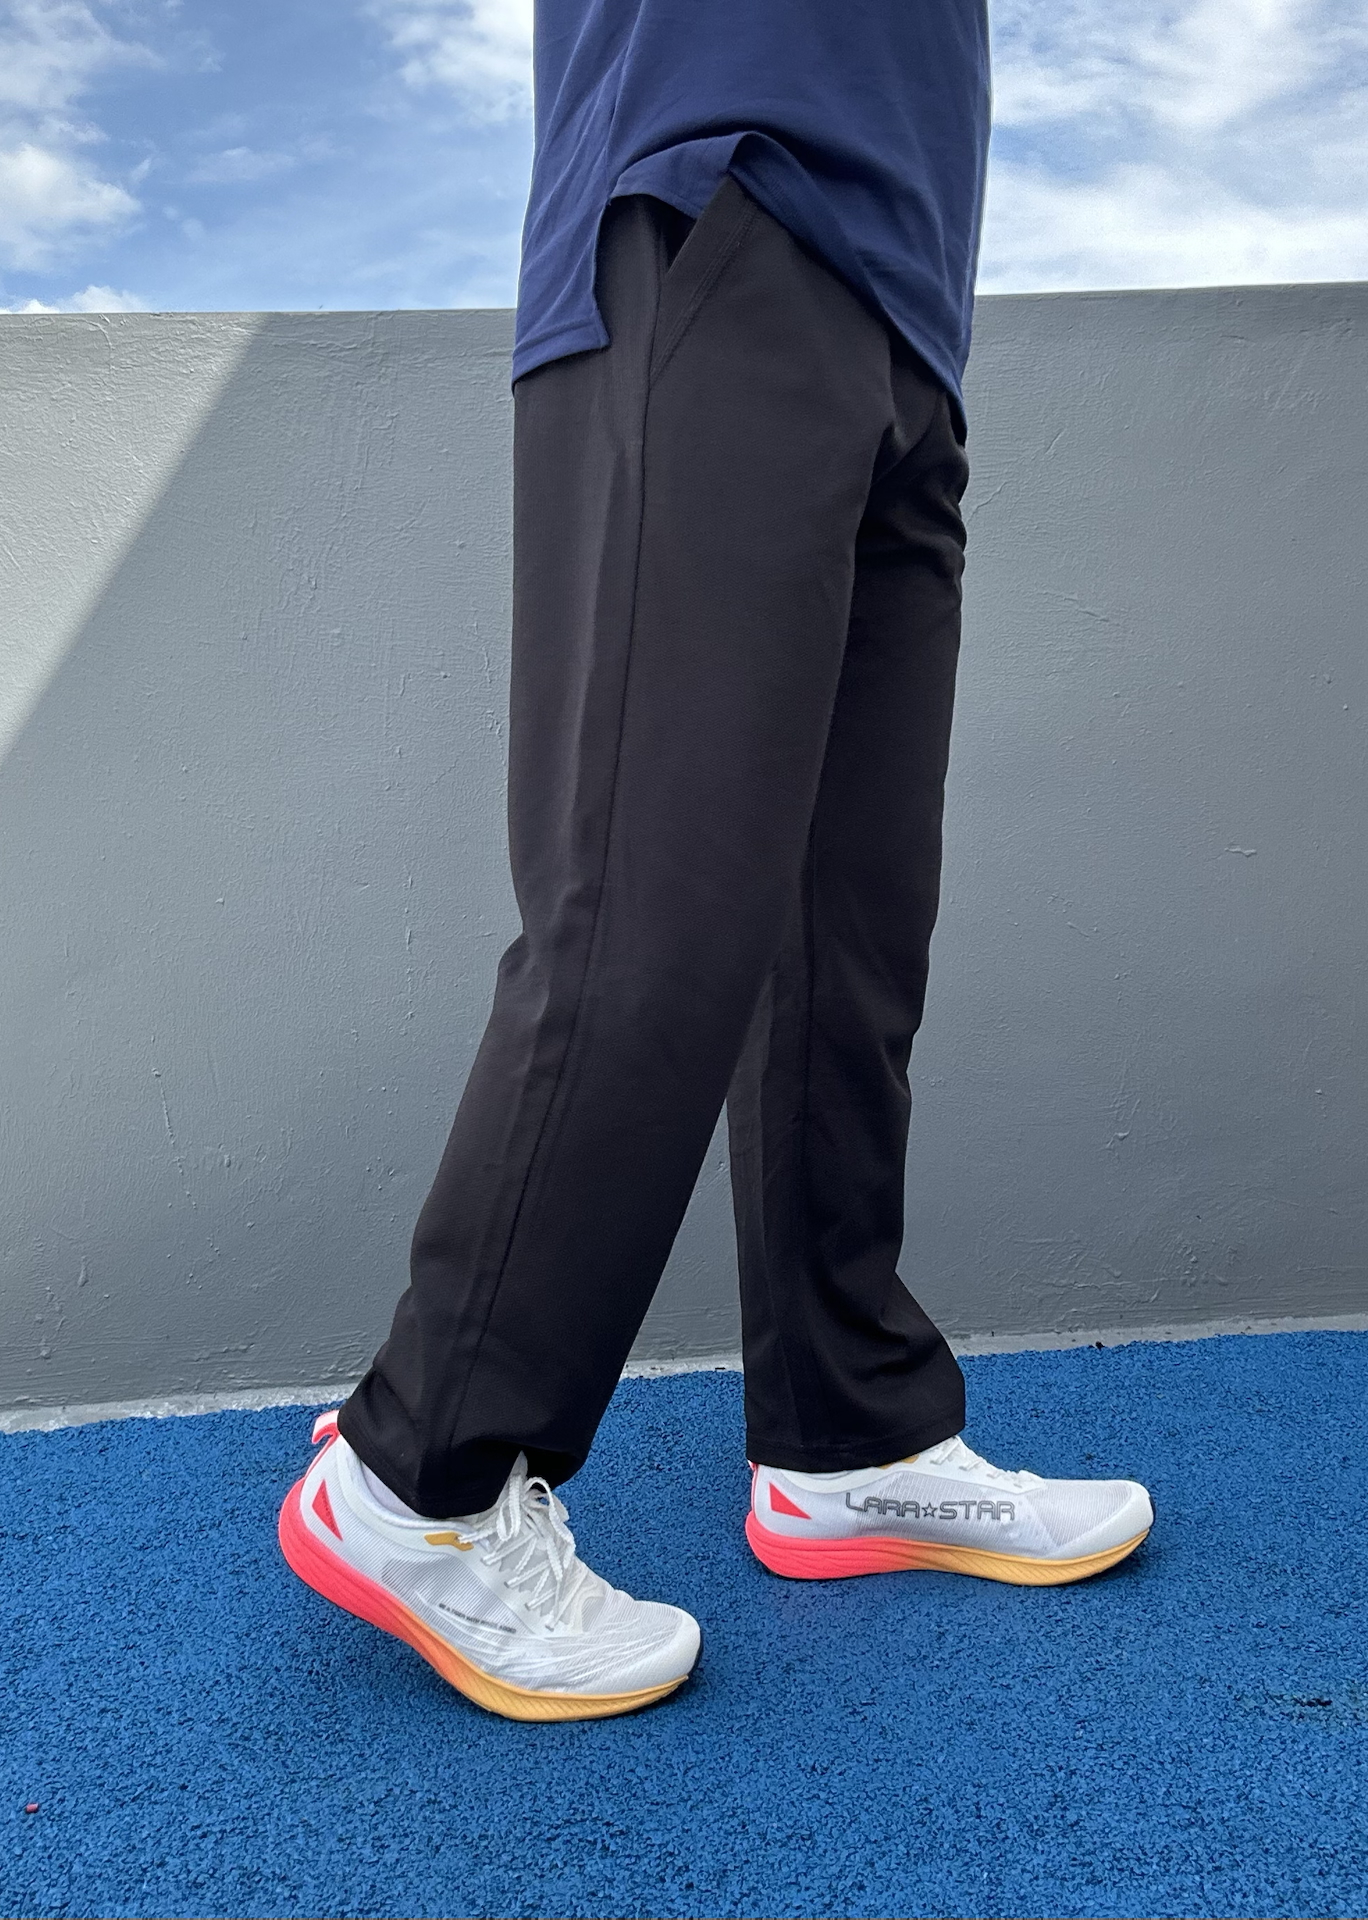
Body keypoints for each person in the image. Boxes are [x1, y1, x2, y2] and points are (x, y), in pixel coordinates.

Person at [277, 0, 1154, 1723]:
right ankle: (420, 1475)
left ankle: (851, 1433)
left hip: (910, 317)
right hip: (717, 204)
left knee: (851, 938)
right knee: (655, 905)